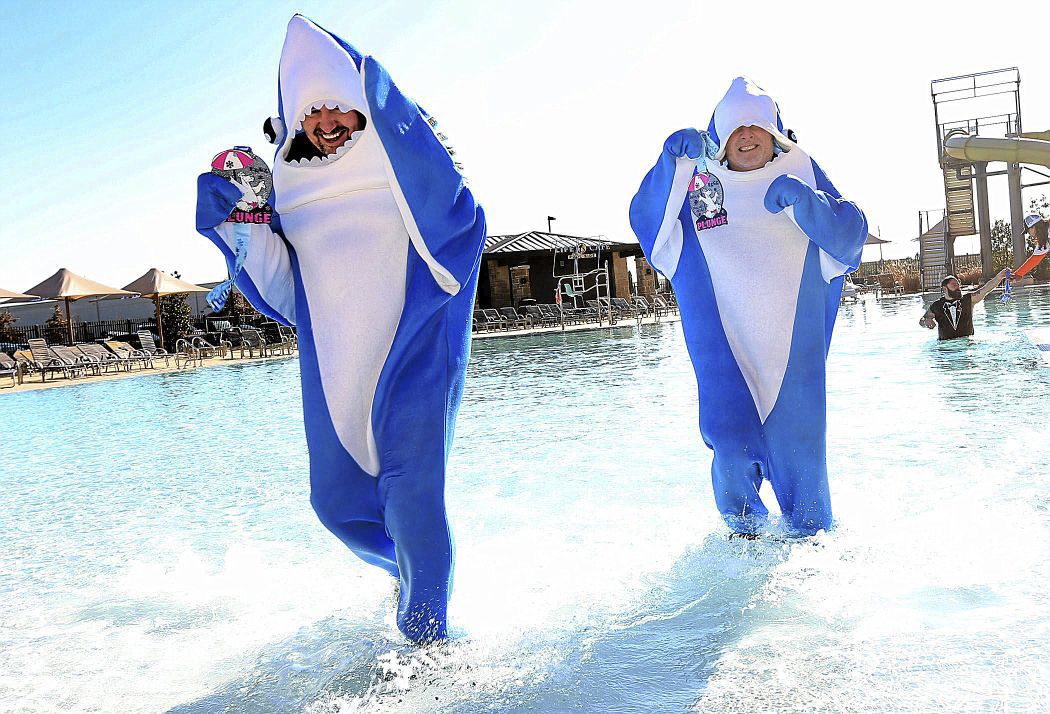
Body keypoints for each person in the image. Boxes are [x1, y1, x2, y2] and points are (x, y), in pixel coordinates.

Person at [195, 15, 486, 643]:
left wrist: (404, 134)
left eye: (339, 110)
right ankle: (412, 575)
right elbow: (282, 289)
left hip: (413, 356)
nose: (325, 123)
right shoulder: (293, 194)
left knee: (413, 500)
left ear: (362, 111)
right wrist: (237, 221)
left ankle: (429, 648)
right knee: (336, 507)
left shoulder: (408, 177)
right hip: (336, 367)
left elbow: (459, 228)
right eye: (312, 113)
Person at [629, 77, 867, 537]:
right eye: (736, 129)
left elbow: (849, 238)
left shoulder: (802, 176)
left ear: (776, 135)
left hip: (792, 375)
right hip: (727, 369)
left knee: (808, 499)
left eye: (757, 127)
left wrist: (805, 202)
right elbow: (650, 228)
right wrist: (669, 166)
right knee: (733, 458)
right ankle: (743, 563)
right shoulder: (693, 194)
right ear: (720, 139)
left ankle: (813, 571)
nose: (747, 136)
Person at [920, 270, 1009, 339]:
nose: (958, 288)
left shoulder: (968, 300)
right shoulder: (937, 306)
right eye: (954, 285)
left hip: (967, 343)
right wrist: (926, 321)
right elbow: (922, 320)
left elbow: (986, 289)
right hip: (946, 348)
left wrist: (999, 277)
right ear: (945, 289)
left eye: (958, 285)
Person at [1012, 214, 1049, 278]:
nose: (1029, 234)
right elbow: (1034, 259)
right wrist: (1018, 275)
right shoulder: (1044, 242)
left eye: (1028, 231)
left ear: (1033, 227)